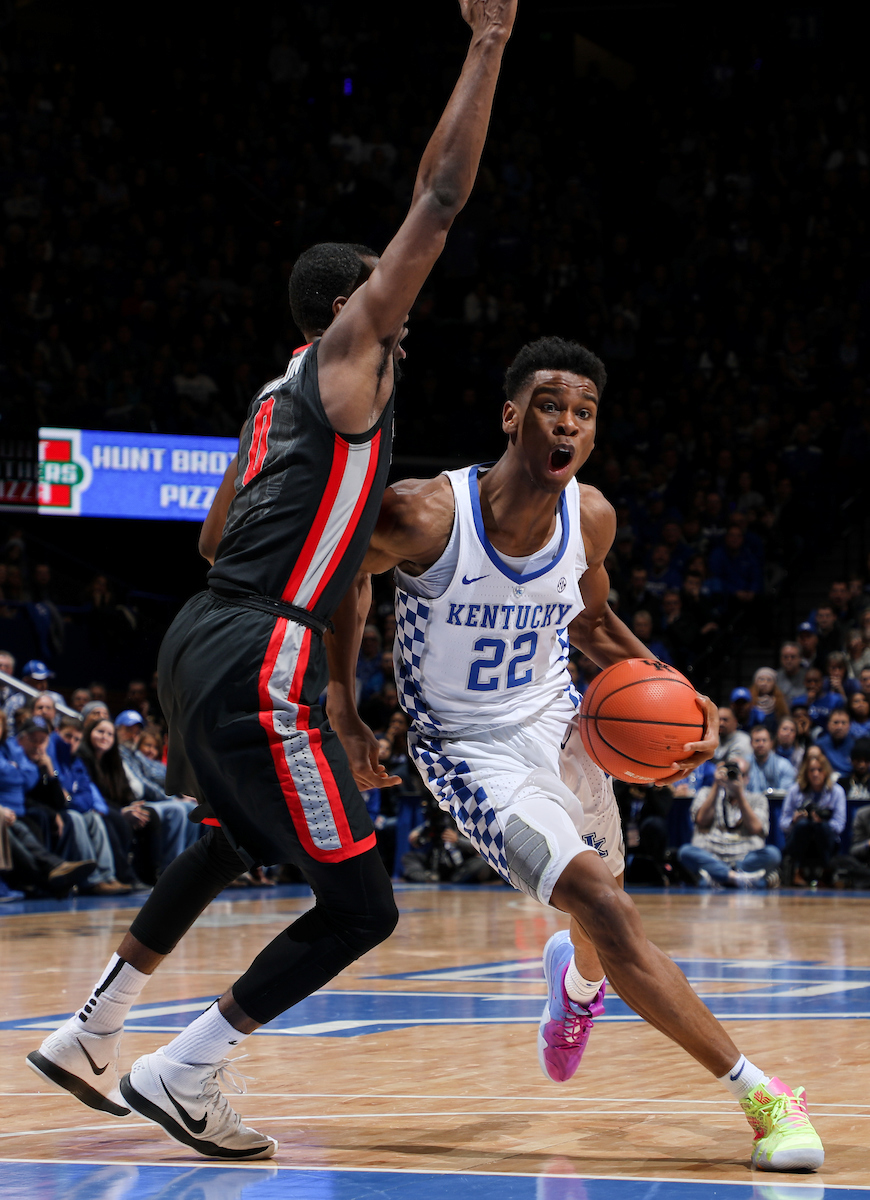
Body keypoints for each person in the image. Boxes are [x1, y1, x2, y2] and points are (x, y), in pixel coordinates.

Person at [28, 0, 517, 1162]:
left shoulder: (270, 394)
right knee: (363, 905)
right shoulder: (355, 364)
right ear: (360, 307)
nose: (411, 320)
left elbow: (209, 542)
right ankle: (185, 1069)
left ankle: (95, 1026)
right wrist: (488, 40)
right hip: (263, 645)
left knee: (235, 838)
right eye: (394, 303)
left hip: (203, 630)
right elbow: (439, 201)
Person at [328, 334, 823, 1171]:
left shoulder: (590, 516)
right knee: (604, 902)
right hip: (469, 748)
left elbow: (589, 625)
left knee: (603, 917)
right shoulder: (423, 514)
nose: (567, 424)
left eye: (585, 414)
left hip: (565, 725)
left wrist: (679, 684)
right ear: (513, 416)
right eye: (551, 407)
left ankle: (579, 986)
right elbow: (343, 574)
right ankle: (764, 1099)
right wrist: (344, 707)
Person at [678, 759, 781, 889]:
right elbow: (701, 820)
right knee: (685, 852)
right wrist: (716, 785)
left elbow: (755, 828)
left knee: (773, 854)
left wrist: (739, 795)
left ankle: (719, 877)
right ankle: (738, 879)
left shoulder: (757, 799)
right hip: (712, 855)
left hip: (744, 858)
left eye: (738, 774)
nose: (732, 779)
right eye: (728, 774)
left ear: (747, 778)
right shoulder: (706, 793)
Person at [780, 748, 847, 885]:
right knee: (803, 825)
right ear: (806, 772)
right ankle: (798, 872)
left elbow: (839, 826)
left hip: (825, 839)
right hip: (800, 839)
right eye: (812, 770)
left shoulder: (837, 791)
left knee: (821, 827)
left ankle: (825, 873)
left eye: (819, 770)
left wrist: (823, 821)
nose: (816, 774)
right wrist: (794, 820)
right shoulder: (795, 790)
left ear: (826, 771)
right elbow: (783, 823)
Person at [747, 725, 796, 796]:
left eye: (764, 740)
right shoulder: (744, 765)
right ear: (751, 743)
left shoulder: (784, 765)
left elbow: (786, 794)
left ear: (771, 743)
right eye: (757, 741)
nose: (761, 744)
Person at [815, 708, 857, 776]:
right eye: (836, 723)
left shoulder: (855, 745)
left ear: (849, 725)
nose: (839, 727)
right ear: (828, 725)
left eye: (843, 723)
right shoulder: (819, 745)